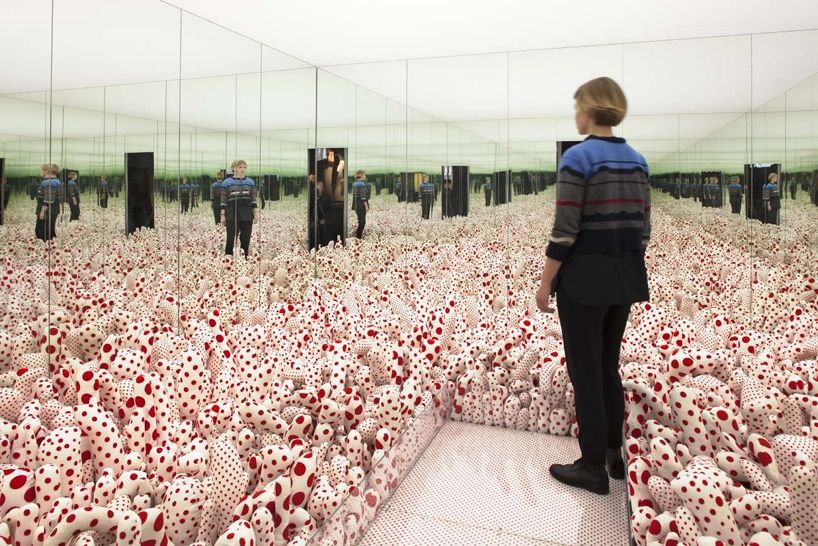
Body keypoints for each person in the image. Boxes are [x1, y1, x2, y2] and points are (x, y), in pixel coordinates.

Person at [535, 77, 650, 495]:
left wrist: (546, 282)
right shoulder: (637, 161)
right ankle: (614, 455)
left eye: (577, 106)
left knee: (584, 373)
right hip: (624, 278)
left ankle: (591, 468)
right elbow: (643, 231)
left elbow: (565, 230)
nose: (576, 114)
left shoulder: (578, 159)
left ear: (590, 109)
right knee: (607, 367)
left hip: (584, 281)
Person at [221, 159, 258, 258]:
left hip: (247, 215)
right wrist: (222, 215)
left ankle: (244, 258)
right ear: (234, 168)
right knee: (231, 239)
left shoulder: (250, 182)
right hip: (232, 215)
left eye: (244, 167)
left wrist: (255, 213)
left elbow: (253, 200)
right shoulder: (226, 183)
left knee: (246, 239)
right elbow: (223, 201)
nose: (242, 169)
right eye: (240, 167)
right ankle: (228, 259)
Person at [35, 163, 62, 241]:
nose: (41, 172)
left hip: (48, 211)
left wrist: (42, 211)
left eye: (42, 170)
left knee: (41, 231)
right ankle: (51, 244)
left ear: (47, 171)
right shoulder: (55, 181)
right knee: (50, 229)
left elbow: (48, 199)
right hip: (53, 210)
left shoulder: (49, 182)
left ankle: (46, 246)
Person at [352, 170, 370, 239]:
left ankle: (358, 236)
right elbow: (363, 197)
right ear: (361, 175)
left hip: (356, 205)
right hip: (361, 205)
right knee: (362, 222)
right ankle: (358, 237)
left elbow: (355, 197)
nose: (365, 176)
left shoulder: (354, 184)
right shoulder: (362, 185)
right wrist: (366, 206)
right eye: (364, 175)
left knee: (360, 221)